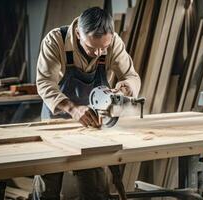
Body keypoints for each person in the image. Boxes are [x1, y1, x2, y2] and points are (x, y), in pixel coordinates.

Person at [35, 7, 141, 200]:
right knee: (46, 190)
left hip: (94, 125)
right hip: (56, 123)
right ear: (78, 34)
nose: (99, 53)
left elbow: (131, 76)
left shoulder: (113, 42)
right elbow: (44, 82)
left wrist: (126, 88)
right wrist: (72, 108)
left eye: (104, 48)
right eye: (92, 48)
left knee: (95, 191)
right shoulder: (55, 41)